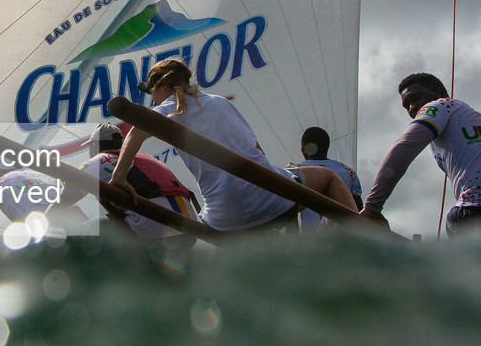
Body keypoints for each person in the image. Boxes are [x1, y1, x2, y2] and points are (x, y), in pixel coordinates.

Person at [109, 58, 360, 232]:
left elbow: (136, 129)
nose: (152, 99)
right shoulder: (220, 102)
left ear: (162, 85)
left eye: (151, 90)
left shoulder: (168, 108)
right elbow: (258, 151)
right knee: (327, 179)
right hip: (273, 198)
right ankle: (364, 239)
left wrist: (119, 177)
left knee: (200, 228)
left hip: (225, 219)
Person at [358, 73, 481, 234]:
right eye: (406, 106)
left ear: (439, 92)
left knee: (454, 222)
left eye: (416, 98)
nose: (412, 108)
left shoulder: (440, 105)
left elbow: (404, 146)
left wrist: (372, 208)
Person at [64, 123, 198, 238]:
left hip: (154, 229)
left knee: (91, 228)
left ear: (96, 145)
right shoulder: (144, 158)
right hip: (190, 229)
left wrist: (50, 215)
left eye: (91, 146)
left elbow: (67, 193)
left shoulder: (102, 159)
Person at [291, 126, 362, 231]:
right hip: (344, 242)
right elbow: (358, 208)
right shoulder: (348, 171)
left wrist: (292, 242)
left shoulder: (295, 172)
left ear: (305, 147)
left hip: (310, 242)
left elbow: (289, 213)